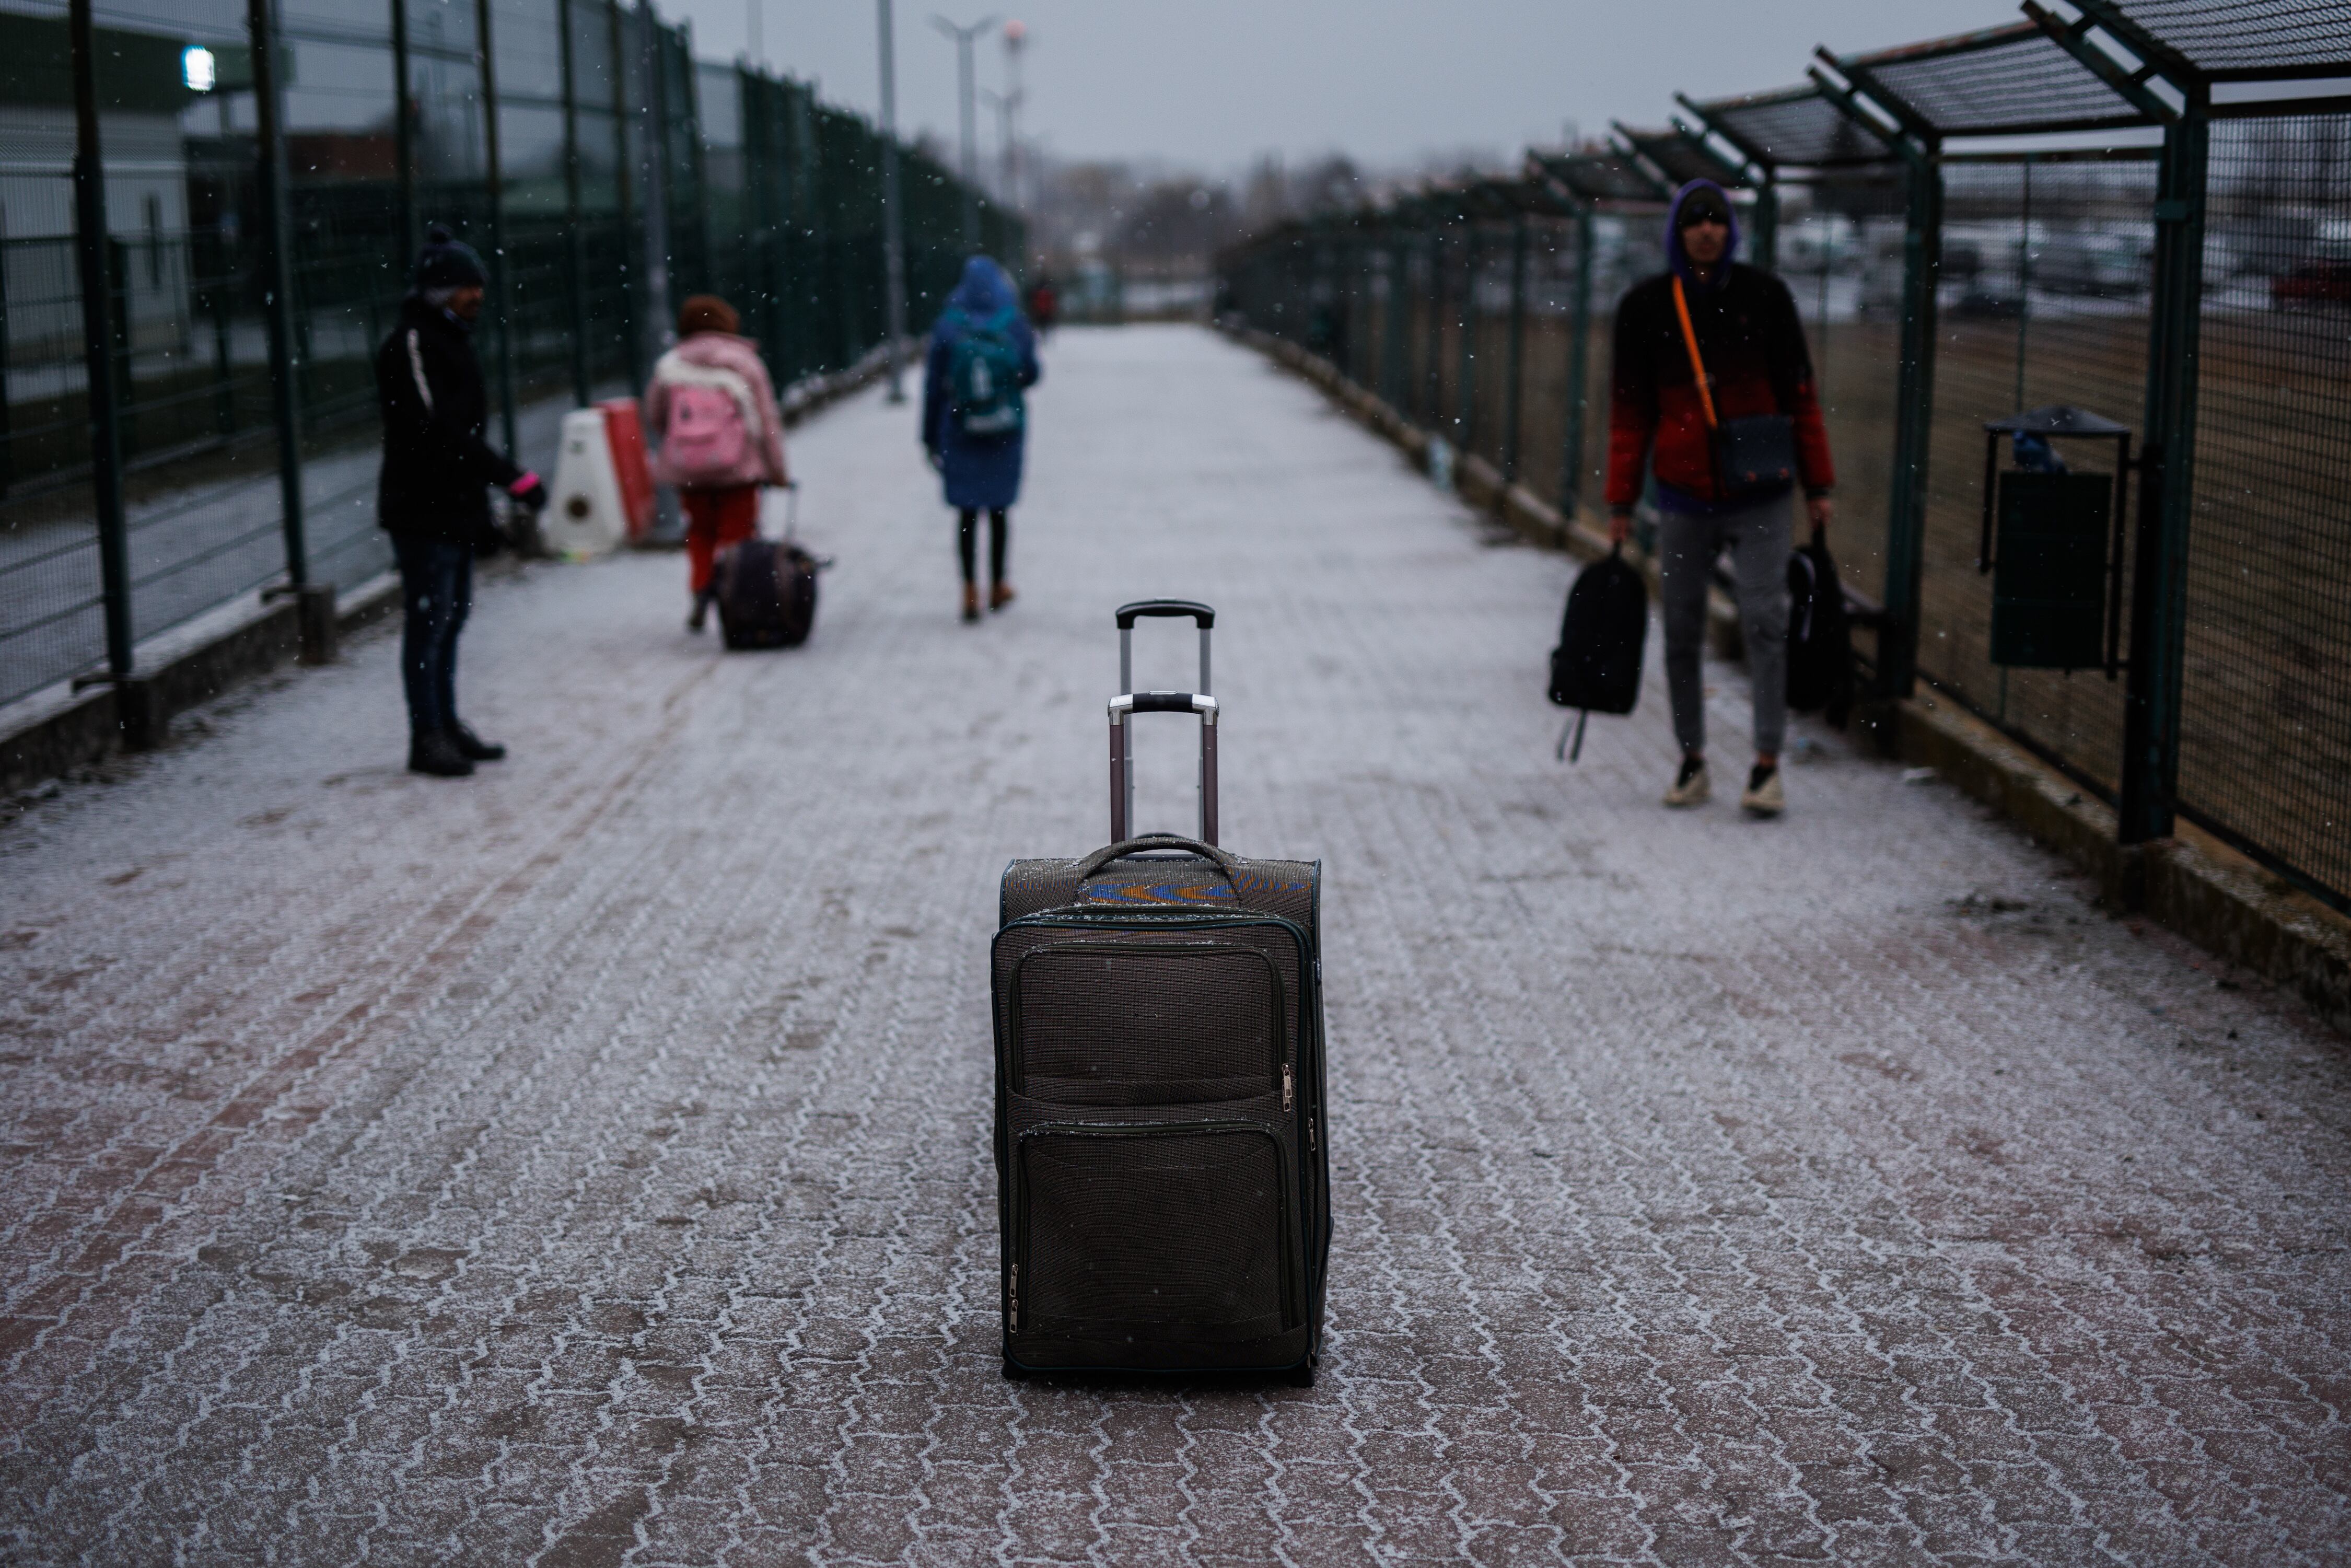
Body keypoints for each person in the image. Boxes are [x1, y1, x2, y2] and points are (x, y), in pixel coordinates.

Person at [1604, 179, 1835, 818]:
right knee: (1682, 630)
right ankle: (1692, 759)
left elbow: (1801, 397)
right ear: (1677, 231)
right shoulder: (1646, 308)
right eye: (1693, 220)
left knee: (1766, 621)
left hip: (1762, 491)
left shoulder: (1766, 298)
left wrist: (1820, 484)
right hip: (1681, 497)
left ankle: (1766, 765)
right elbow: (1630, 417)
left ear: (1730, 230)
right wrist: (1621, 502)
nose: (1706, 230)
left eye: (1716, 220)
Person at [374, 224, 547, 779]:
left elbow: (454, 436)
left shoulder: (447, 341)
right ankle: (427, 734)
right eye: (464, 287)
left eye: (478, 287)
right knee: (430, 620)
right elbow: (437, 432)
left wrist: (484, 506)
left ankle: (444, 724)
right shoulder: (412, 344)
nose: (476, 296)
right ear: (437, 291)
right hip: (421, 508)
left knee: (449, 618)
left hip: (451, 506)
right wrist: (510, 477)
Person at [643, 294, 790, 633]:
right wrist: (778, 471)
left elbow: (655, 414)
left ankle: (701, 588)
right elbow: (767, 422)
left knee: (700, 532)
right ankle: (734, 597)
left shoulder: (670, 365)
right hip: (738, 469)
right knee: (738, 537)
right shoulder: (743, 362)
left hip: (691, 471)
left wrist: (685, 444)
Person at [923, 256, 1041, 623]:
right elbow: (1033, 373)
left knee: (967, 513)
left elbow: (932, 389)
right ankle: (999, 584)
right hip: (1005, 429)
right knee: (1000, 509)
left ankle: (969, 590)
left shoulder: (948, 326)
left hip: (959, 429)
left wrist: (928, 437)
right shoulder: (1014, 322)